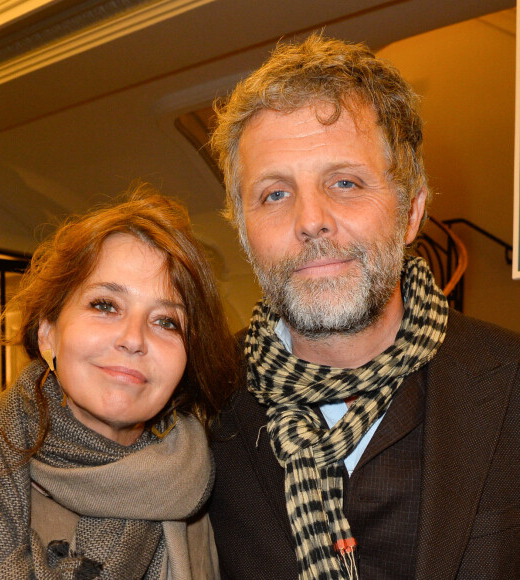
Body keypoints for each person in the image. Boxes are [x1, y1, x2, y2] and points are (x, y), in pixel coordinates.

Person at [208, 33, 520, 580]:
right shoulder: (201, 403)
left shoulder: (512, 382)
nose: (311, 220)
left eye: (345, 182)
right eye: (274, 194)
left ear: (411, 212)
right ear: (243, 231)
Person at [0, 185, 238, 579]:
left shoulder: (202, 506)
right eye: (105, 305)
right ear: (48, 334)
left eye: (166, 321)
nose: (134, 338)